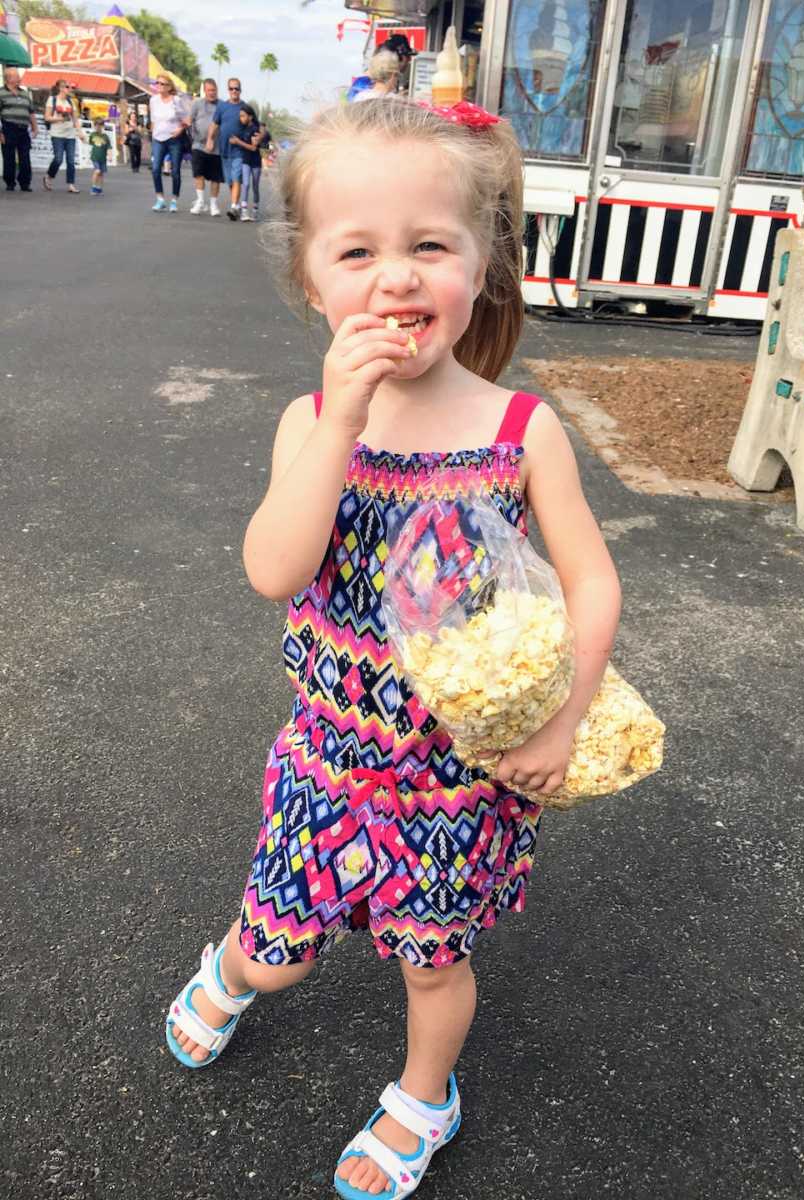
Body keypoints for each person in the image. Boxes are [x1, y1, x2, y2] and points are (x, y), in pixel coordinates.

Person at [165, 98, 621, 1200]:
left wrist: (564, 721)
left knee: (433, 958)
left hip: (454, 778)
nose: (398, 278)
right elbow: (275, 568)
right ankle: (234, 969)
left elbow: (593, 580)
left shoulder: (520, 431)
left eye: (431, 247)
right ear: (313, 282)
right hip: (328, 762)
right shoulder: (312, 419)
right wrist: (339, 423)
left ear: (482, 266)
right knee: (281, 948)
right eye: (359, 251)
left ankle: (425, 1096)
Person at [149, 74, 190, 212]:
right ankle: (160, 199)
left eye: (162, 84)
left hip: (174, 139)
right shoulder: (153, 100)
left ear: (169, 87)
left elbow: (187, 119)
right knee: (155, 169)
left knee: (175, 171)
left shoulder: (176, 100)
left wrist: (180, 129)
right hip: (158, 139)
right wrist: (153, 134)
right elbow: (153, 120)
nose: (159, 86)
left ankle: (174, 200)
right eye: (157, 83)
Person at [206, 77, 245, 221]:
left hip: (239, 151)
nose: (234, 91)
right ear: (228, 90)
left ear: (240, 90)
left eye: (236, 88)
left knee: (236, 178)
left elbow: (254, 127)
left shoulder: (245, 108)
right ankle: (236, 204)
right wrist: (210, 139)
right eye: (231, 88)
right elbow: (214, 125)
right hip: (224, 151)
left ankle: (234, 206)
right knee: (230, 181)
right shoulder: (222, 107)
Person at [42, 80, 86, 194]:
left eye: (71, 87)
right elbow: (47, 117)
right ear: (61, 88)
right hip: (57, 134)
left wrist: (80, 132)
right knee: (58, 159)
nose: (70, 89)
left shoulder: (71, 102)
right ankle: (49, 175)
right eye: (67, 87)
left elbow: (75, 119)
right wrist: (60, 119)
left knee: (71, 160)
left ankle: (71, 184)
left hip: (70, 134)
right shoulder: (52, 100)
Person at [0, 66, 38, 192]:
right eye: (16, 76)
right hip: (8, 128)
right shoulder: (1, 93)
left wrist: (35, 127)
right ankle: (10, 182)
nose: (19, 78)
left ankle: (25, 183)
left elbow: (31, 112)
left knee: (25, 156)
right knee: (9, 157)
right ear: (8, 79)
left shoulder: (25, 93)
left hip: (23, 129)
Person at [189, 77, 223, 216]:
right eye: (209, 90)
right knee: (199, 174)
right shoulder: (197, 104)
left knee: (215, 178)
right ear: (204, 91)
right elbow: (190, 120)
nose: (211, 93)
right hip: (198, 145)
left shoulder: (222, 105)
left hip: (217, 147)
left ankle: (213, 205)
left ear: (217, 90)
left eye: (214, 90)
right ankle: (200, 201)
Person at [230, 102, 262, 222]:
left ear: (250, 117)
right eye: (240, 116)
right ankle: (244, 211)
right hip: (245, 161)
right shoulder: (242, 128)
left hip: (255, 162)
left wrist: (238, 142)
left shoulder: (255, 129)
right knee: (246, 184)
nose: (241, 118)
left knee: (255, 186)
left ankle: (255, 209)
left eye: (243, 116)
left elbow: (253, 148)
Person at [88, 116, 111, 195]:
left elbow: (109, 147)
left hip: (103, 158)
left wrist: (110, 155)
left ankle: (99, 188)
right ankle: (93, 187)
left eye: (100, 125)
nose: (98, 127)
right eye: (96, 125)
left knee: (101, 173)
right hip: (95, 157)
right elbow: (90, 142)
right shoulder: (92, 135)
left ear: (102, 126)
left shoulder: (105, 137)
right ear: (94, 126)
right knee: (97, 171)